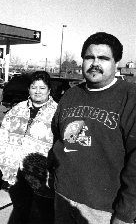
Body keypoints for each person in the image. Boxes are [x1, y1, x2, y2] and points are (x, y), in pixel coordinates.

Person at [50, 32, 136, 224]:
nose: (95, 63)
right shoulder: (71, 95)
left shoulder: (130, 97)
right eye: (89, 57)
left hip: (103, 210)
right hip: (63, 197)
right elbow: (58, 138)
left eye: (103, 58)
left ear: (116, 62)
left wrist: (125, 214)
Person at [0, 71, 58, 223]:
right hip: (16, 176)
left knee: (42, 217)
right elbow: (2, 136)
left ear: (49, 90)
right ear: (28, 89)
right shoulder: (17, 110)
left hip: (43, 181)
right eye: (34, 87)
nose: (37, 91)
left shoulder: (58, 113)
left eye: (42, 88)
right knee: (20, 212)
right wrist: (3, 161)